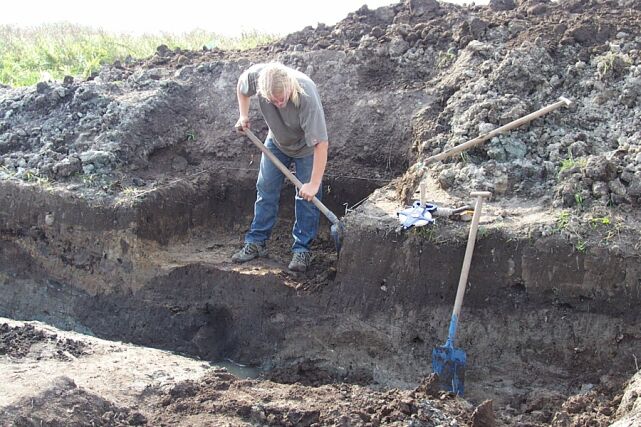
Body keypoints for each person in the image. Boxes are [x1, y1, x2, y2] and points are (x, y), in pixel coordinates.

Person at [232, 62, 329, 272]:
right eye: (273, 101)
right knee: (265, 188)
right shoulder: (257, 79)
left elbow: (321, 143)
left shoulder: (306, 95)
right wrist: (243, 115)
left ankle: (302, 249)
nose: (279, 103)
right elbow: (241, 85)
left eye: (282, 98)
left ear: (289, 86)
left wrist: (313, 183)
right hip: (276, 142)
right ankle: (256, 242)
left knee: (306, 198)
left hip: (306, 148)